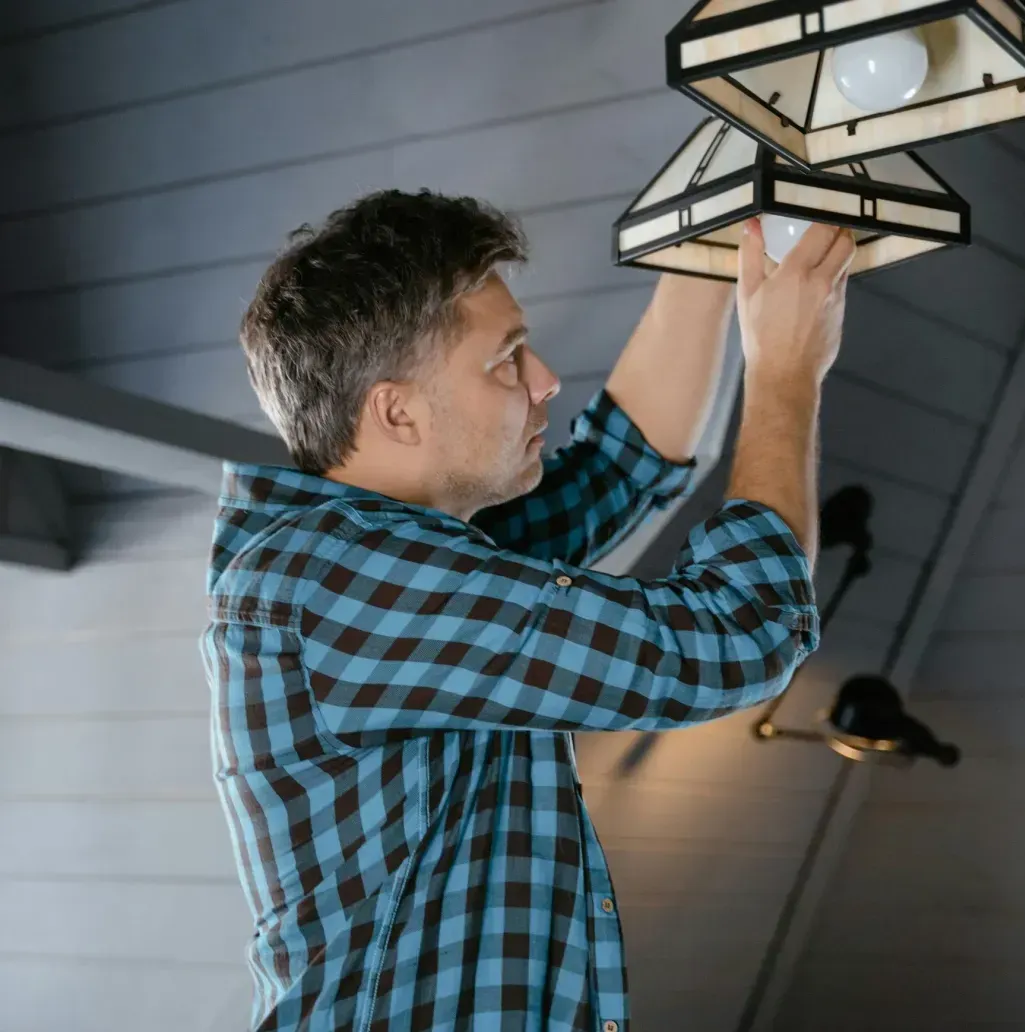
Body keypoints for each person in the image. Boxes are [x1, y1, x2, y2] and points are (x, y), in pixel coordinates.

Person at [199, 188, 855, 1032]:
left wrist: (712, 231)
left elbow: (620, 468)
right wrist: (788, 371)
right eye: (505, 358)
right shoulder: (336, 579)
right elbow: (739, 634)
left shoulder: (400, 553)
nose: (545, 381)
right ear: (396, 410)